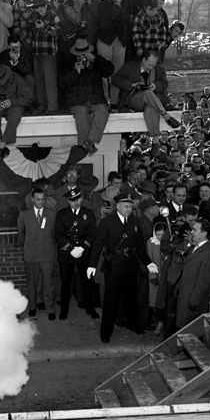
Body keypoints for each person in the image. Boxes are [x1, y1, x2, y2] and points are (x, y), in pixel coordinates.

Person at [87, 192, 157, 343]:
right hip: (114, 266)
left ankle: (133, 324)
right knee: (110, 300)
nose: (129, 209)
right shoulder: (108, 222)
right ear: (117, 206)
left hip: (131, 265)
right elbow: (98, 244)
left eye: (131, 206)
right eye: (126, 206)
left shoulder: (135, 221)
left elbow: (139, 246)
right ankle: (106, 331)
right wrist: (92, 265)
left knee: (132, 297)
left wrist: (148, 262)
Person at [60, 38, 114, 155]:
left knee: (103, 111)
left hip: (95, 99)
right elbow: (62, 83)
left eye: (84, 55)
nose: (82, 57)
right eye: (80, 55)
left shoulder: (96, 62)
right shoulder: (69, 64)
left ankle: (89, 142)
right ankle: (86, 145)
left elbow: (110, 70)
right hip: (77, 101)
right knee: (81, 113)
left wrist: (96, 60)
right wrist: (76, 71)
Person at [54, 186, 99, 321]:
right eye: (72, 200)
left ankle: (90, 309)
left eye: (78, 198)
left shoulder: (88, 213)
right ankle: (64, 310)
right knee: (66, 283)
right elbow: (59, 235)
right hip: (67, 254)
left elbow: (92, 234)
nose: (76, 202)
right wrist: (71, 249)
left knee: (87, 282)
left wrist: (82, 248)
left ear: (81, 198)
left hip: (84, 253)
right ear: (68, 201)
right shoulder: (61, 214)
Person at [17, 187, 57, 319]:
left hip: (47, 254)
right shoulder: (24, 215)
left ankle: (50, 308)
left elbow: (54, 233)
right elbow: (21, 235)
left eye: (43, 199)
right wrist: (29, 244)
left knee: (48, 282)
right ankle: (32, 307)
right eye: (38, 199)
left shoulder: (51, 214)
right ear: (32, 199)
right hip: (31, 254)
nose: (40, 202)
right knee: (32, 283)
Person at [111, 51, 174, 136]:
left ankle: (155, 140)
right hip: (133, 99)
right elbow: (115, 79)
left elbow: (164, 84)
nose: (151, 67)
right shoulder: (131, 67)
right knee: (147, 93)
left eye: (153, 65)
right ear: (144, 60)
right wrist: (131, 85)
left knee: (150, 109)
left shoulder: (159, 69)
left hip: (151, 102)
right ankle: (165, 115)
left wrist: (155, 86)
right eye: (149, 64)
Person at [175, 218, 210, 330]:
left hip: (192, 302)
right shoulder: (196, 247)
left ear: (204, 233)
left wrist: (194, 301)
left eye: (195, 230)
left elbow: (204, 281)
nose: (191, 232)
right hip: (185, 296)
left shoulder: (209, 254)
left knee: (190, 331)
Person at [0, 63, 33, 153]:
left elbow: (29, 96)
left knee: (15, 115)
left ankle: (3, 143)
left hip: (14, 104)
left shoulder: (17, 78)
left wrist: (12, 102)